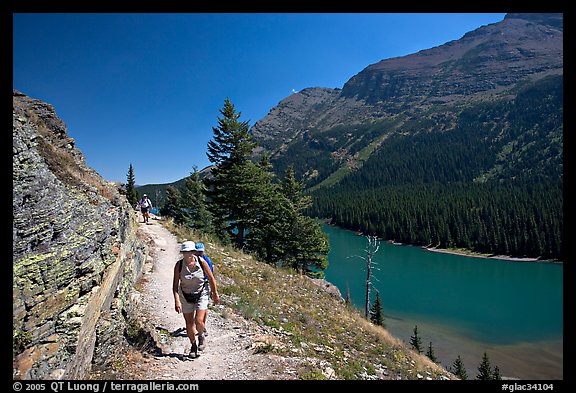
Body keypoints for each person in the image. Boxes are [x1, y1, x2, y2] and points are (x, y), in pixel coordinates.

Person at [173, 241, 220, 358]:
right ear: (183, 253)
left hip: (201, 293)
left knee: (199, 320)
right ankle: (193, 346)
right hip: (185, 295)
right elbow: (175, 285)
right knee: (189, 323)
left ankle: (201, 336)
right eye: (185, 252)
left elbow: (211, 278)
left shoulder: (202, 262)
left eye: (190, 252)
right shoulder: (179, 265)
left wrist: (214, 293)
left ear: (193, 252)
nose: (188, 254)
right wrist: (177, 300)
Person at [193, 243, 214, 336]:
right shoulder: (191, 260)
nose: (200, 253)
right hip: (193, 285)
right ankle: (198, 323)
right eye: (198, 251)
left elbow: (210, 274)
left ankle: (202, 324)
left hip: (204, 284)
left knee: (203, 306)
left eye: (201, 251)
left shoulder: (206, 260)